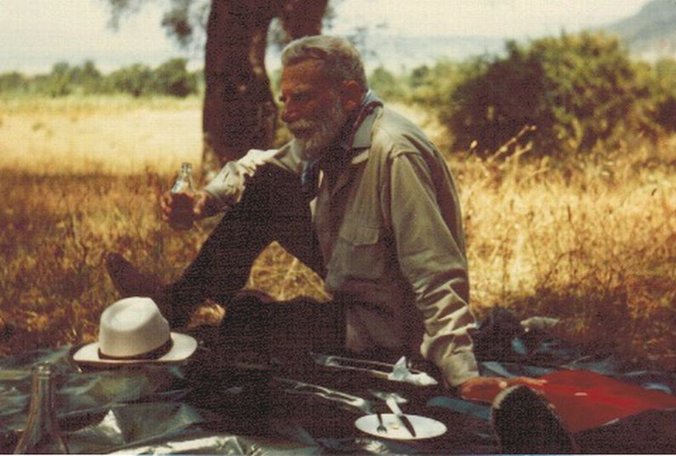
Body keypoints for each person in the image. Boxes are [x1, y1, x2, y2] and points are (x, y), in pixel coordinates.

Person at [105, 35, 539, 400]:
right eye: (285, 99)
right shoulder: (333, 132)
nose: (288, 112)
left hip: (388, 326)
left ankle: (216, 309)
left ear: (348, 96)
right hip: (358, 285)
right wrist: (204, 201)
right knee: (270, 185)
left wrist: (462, 373)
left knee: (245, 324)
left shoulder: (395, 153)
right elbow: (262, 166)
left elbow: (435, 271)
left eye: (302, 98)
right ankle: (177, 303)